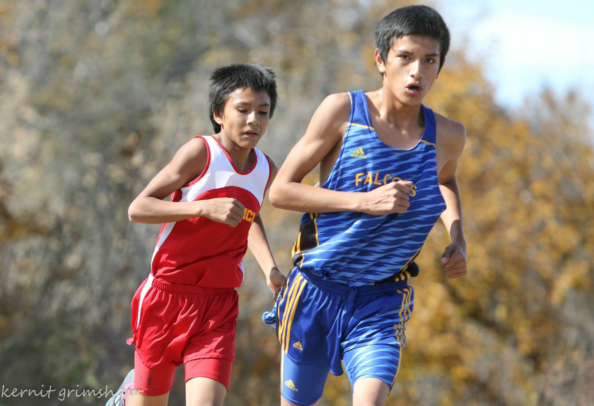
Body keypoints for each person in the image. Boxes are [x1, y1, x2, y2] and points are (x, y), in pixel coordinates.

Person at [266, 5, 468, 406]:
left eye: (430, 61)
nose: (417, 72)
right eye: (405, 57)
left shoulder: (448, 135)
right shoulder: (343, 111)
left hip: (382, 299)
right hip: (315, 290)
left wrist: (458, 237)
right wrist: (365, 202)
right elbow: (281, 191)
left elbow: (444, 180)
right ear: (380, 59)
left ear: (440, 67)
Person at [106, 63, 286, 406]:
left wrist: (270, 270)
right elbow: (138, 208)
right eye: (243, 110)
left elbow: (250, 219)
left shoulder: (265, 168)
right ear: (218, 113)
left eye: (263, 112)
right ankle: (126, 396)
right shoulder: (200, 153)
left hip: (218, 304)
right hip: (165, 298)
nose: (254, 121)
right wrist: (203, 208)